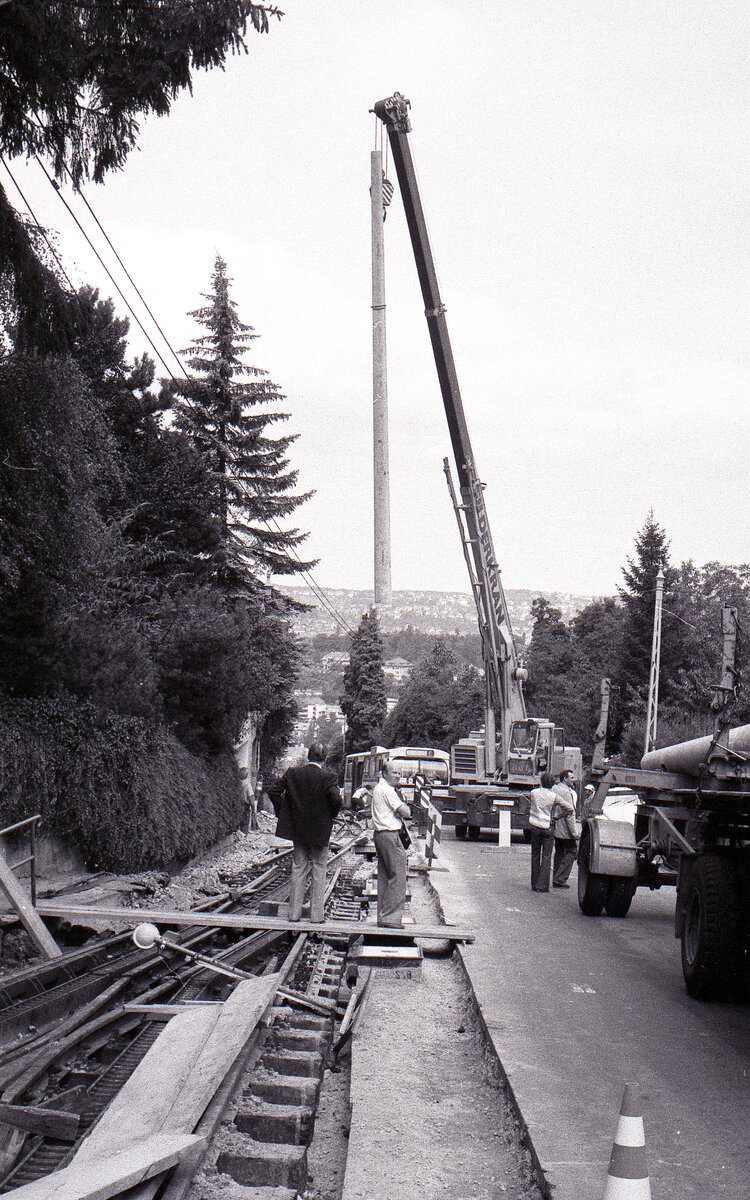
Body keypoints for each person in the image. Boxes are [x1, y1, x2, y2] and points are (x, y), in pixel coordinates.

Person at [267, 743, 341, 923]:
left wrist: (284, 812)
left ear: (308, 756)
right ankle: (316, 916)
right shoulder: (328, 777)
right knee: (319, 869)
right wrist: (329, 816)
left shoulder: (292, 773)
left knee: (298, 868)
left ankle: (294, 914)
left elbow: (273, 791)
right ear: (323, 758)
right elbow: (336, 800)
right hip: (319, 831)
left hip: (298, 830)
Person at [371, 761, 412, 927]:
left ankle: (383, 916)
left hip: (380, 834)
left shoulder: (378, 789)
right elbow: (406, 812)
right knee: (398, 875)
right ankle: (390, 918)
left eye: (399, 773)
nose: (397, 776)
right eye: (394, 773)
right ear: (384, 773)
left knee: (385, 877)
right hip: (390, 835)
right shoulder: (388, 790)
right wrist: (403, 805)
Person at [527, 771, 559, 893]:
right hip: (547, 827)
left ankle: (534, 884)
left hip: (535, 826)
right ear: (553, 784)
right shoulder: (554, 796)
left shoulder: (533, 793)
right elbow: (569, 808)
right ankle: (543, 885)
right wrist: (557, 817)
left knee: (535, 854)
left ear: (541, 781)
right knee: (546, 856)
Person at [551, 769, 579, 889]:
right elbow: (570, 814)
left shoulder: (554, 788)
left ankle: (555, 877)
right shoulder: (567, 793)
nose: (574, 780)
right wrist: (574, 833)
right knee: (572, 851)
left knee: (559, 852)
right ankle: (560, 878)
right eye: (571, 778)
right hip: (565, 829)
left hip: (556, 827)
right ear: (565, 779)